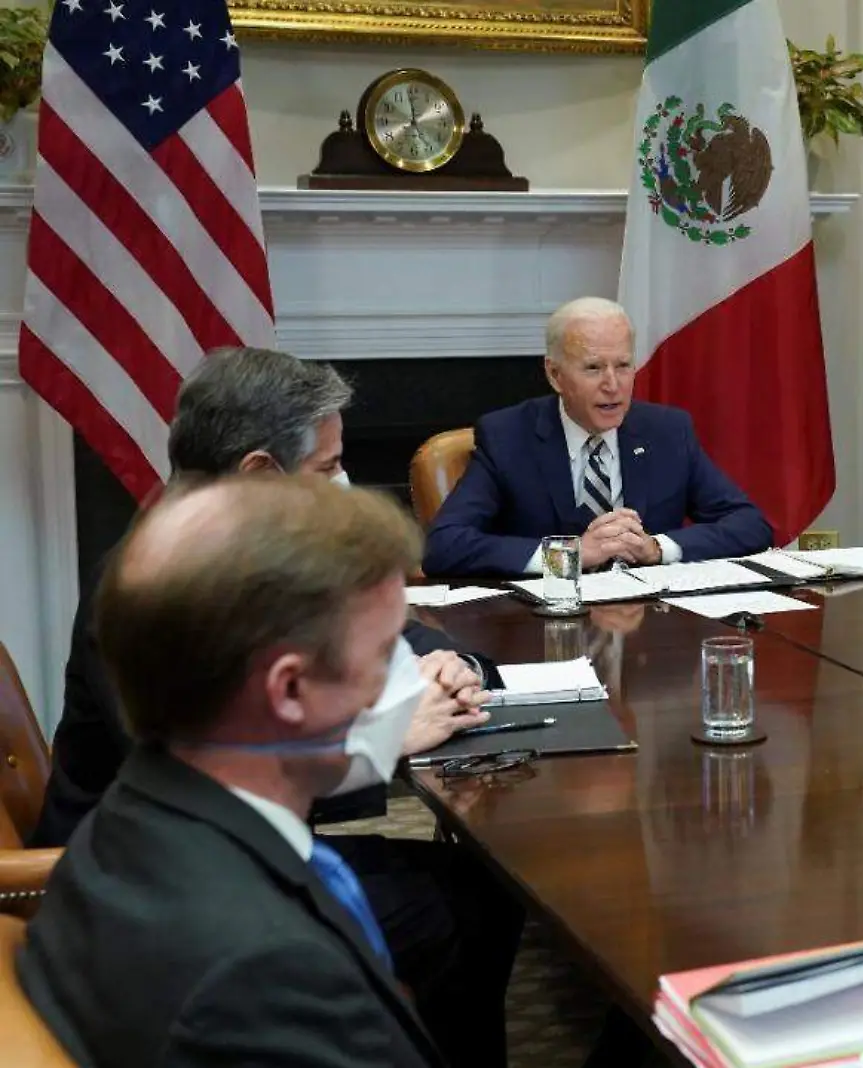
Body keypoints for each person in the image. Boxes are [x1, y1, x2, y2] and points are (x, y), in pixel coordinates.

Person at [32, 347, 522, 1068]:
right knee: (462, 901)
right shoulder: (161, 587)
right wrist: (381, 741)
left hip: (186, 858)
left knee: (477, 891)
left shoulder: (235, 558)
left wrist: (450, 664)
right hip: (178, 897)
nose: (386, 686)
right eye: (329, 467)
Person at [19, 476, 449, 1066]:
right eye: (385, 655)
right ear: (289, 689)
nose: (407, 683)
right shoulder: (268, 975)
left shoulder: (129, 818)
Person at [422, 297, 773, 576]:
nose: (612, 385)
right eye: (593, 368)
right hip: (547, 625)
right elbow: (444, 545)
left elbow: (751, 525)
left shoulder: (667, 431)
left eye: (623, 366)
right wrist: (569, 554)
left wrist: (656, 548)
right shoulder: (508, 436)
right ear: (555, 375)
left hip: (650, 625)